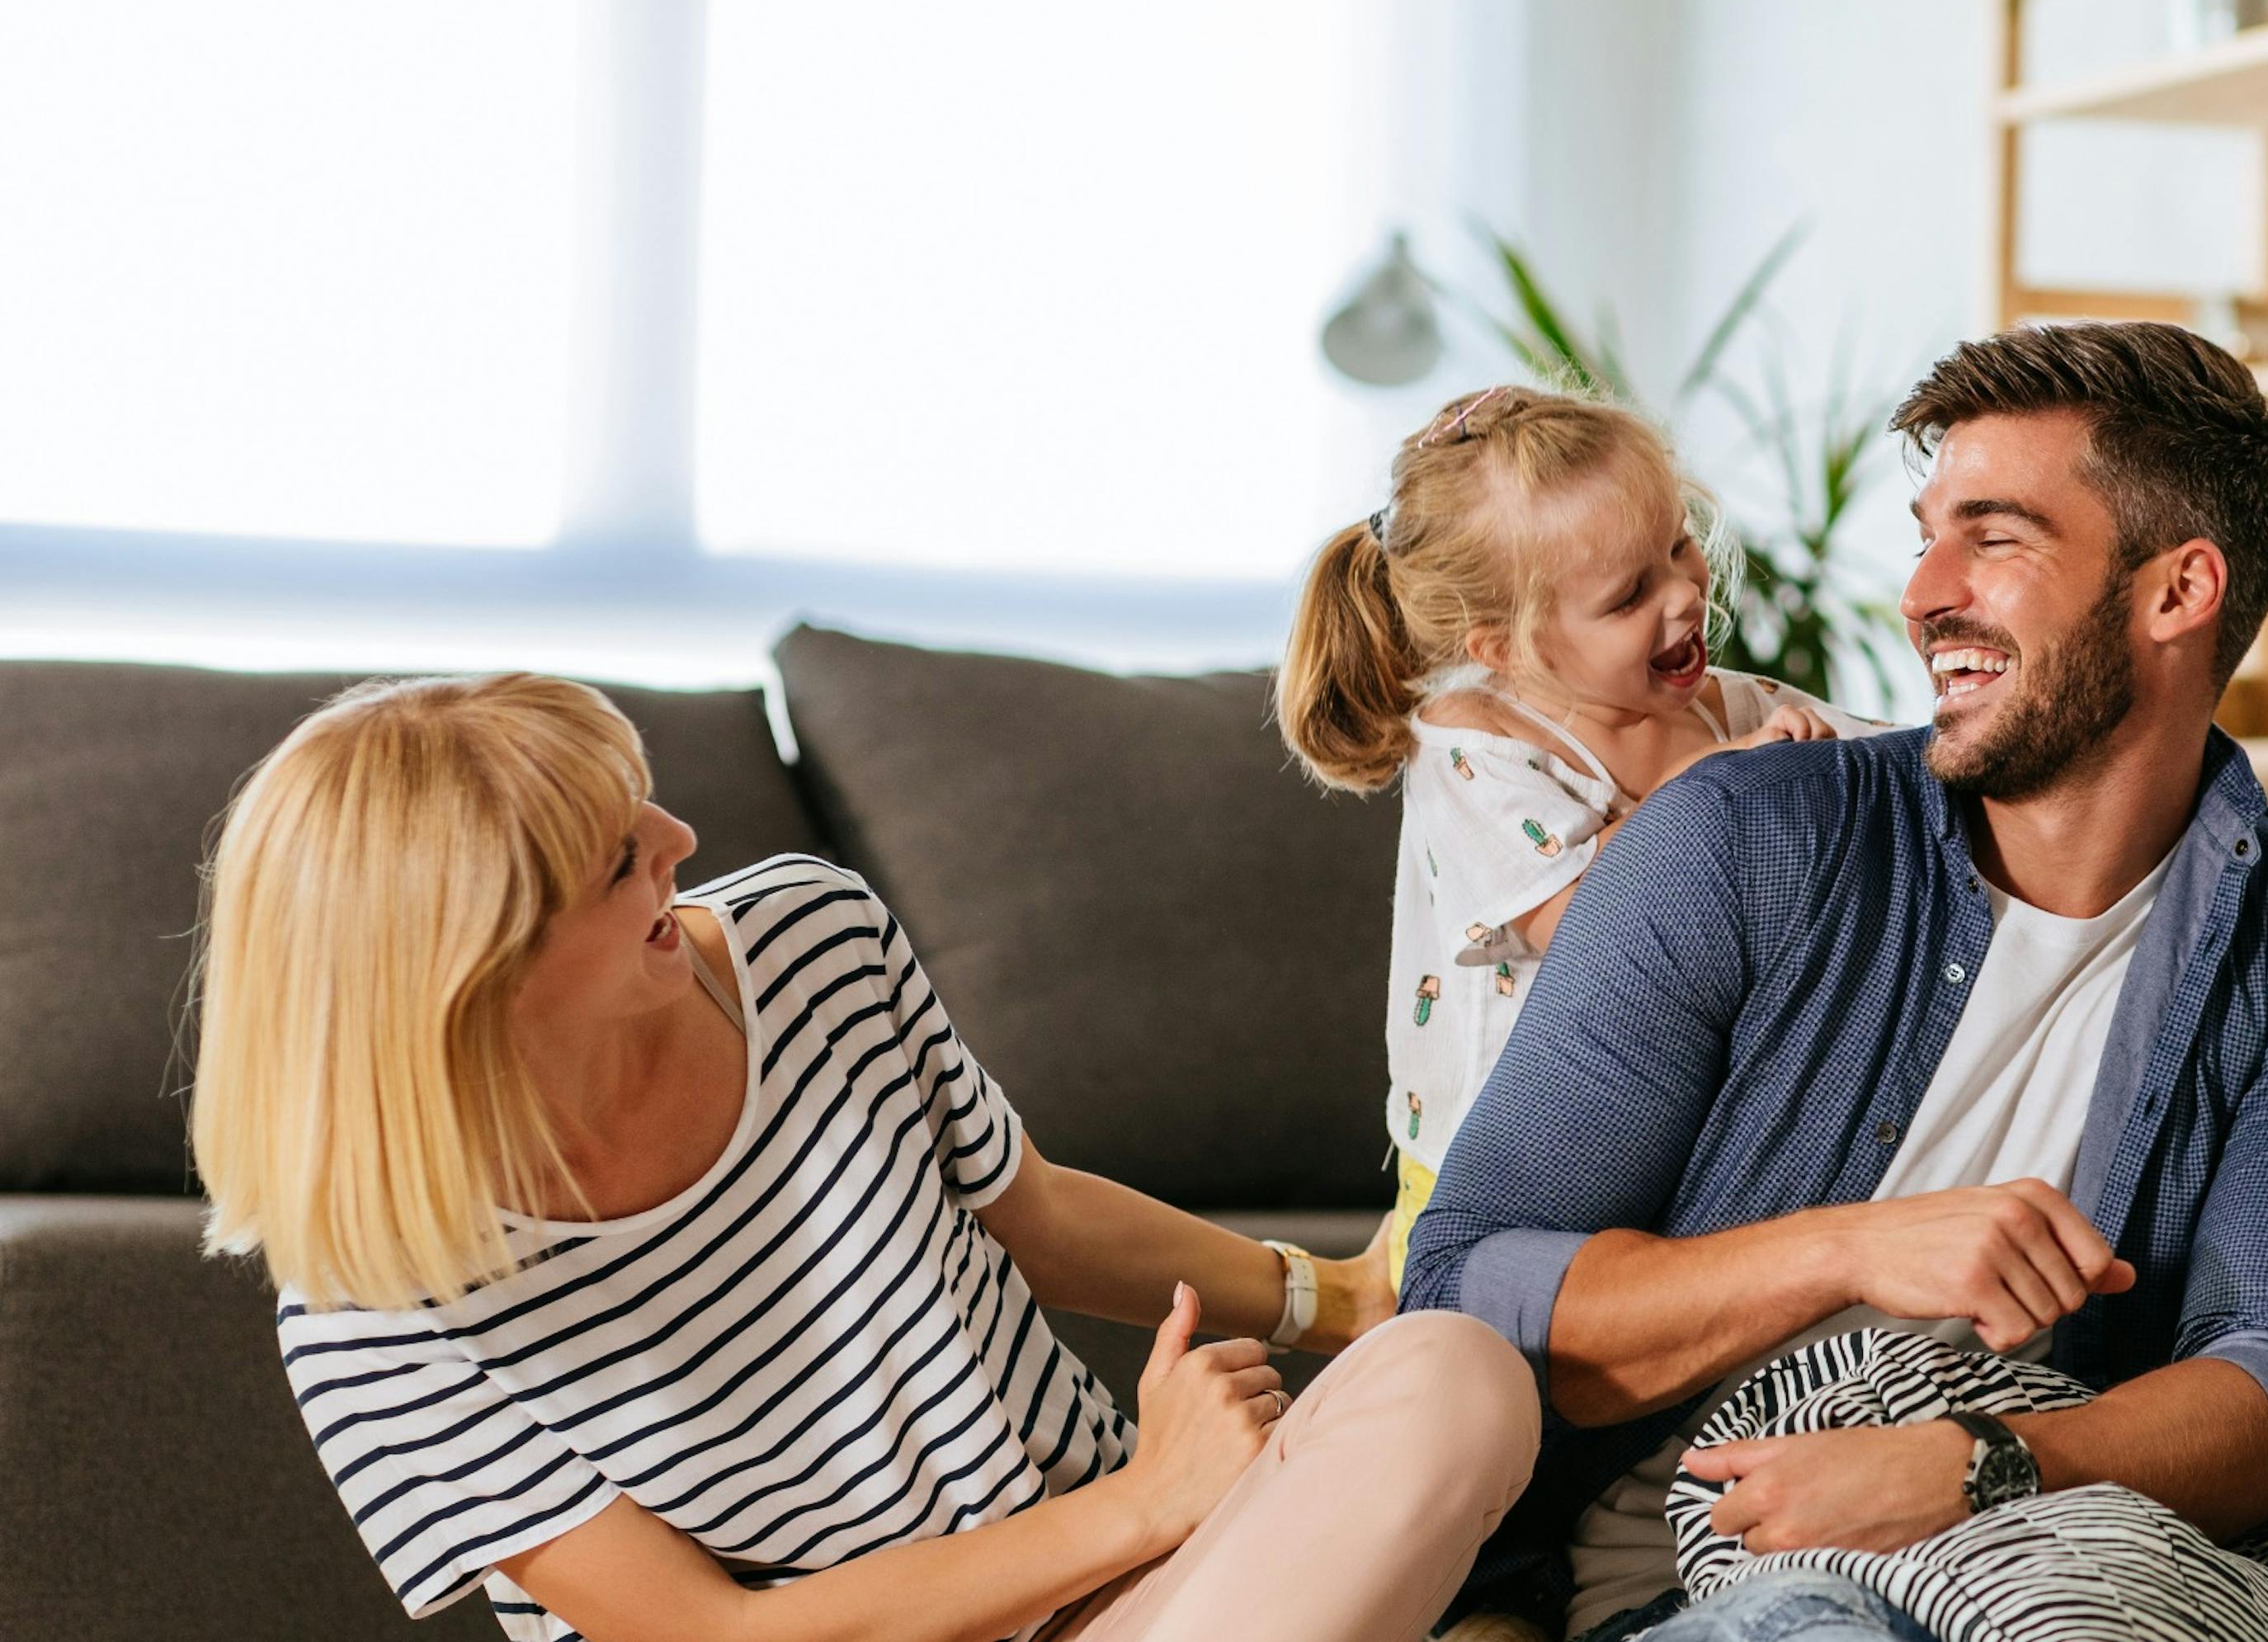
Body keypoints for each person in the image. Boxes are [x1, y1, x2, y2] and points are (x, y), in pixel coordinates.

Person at [1403, 323, 2268, 1642]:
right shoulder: (1743, 837)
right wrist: (1851, 1245)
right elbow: (1472, 1284)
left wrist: (1975, 1462)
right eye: (1928, 532)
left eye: (1992, 537)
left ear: (2178, 591)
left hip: (2058, 1583)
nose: (1925, 590)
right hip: (1717, 1595)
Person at [192, 673, 1539, 1642]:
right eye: (621, 859)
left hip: (1131, 1606)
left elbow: (1043, 1212)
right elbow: (711, 1633)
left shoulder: (805, 938)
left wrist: (1343, 1298)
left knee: (1454, 1376)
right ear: (475, 978)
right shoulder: (370, 1325)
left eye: (646, 804)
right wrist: (1143, 1500)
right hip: (1065, 1561)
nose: (682, 845)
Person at [1276, 384, 1883, 1283]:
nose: (1684, 592)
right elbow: (1591, 920)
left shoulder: (1740, 711)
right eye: (1631, 591)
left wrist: (1831, 769)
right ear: (1505, 646)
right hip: (1491, 1174)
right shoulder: (1477, 743)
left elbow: (1900, 779)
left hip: (1669, 1144)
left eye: (1679, 544)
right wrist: (1726, 787)